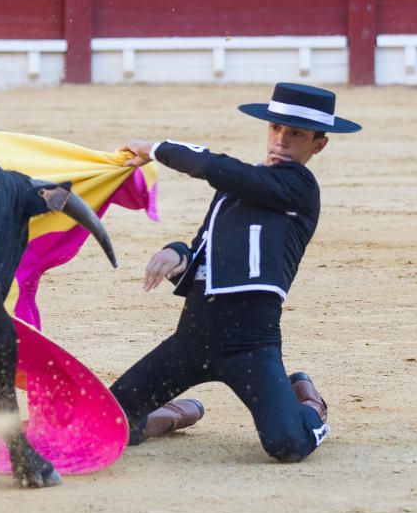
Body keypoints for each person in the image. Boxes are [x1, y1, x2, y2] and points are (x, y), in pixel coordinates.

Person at [109, 82, 361, 461]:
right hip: (193, 338)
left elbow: (222, 170)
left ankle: (310, 407)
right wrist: (178, 254)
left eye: (296, 133)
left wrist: (157, 148)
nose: (282, 139)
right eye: (276, 128)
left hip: (250, 344)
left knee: (287, 445)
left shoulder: (299, 186)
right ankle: (169, 417)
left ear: (318, 145)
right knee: (107, 420)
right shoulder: (234, 188)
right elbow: (202, 253)